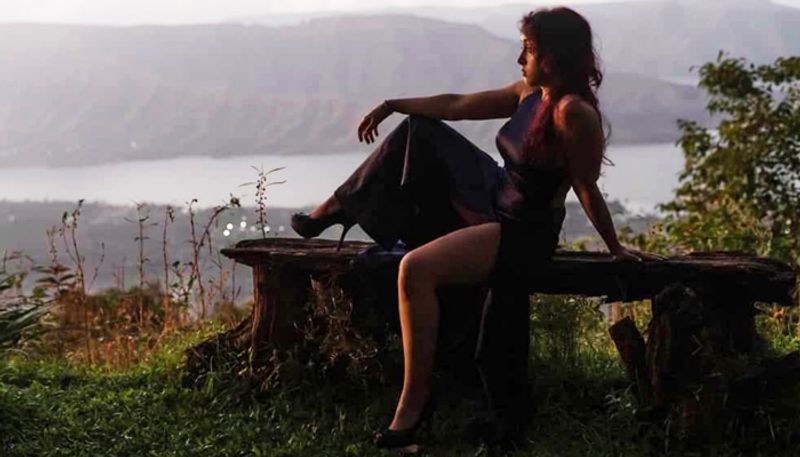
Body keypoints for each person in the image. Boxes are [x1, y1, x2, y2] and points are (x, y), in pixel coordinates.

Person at [291, 6, 659, 450]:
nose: (519, 59)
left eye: (528, 50)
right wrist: (392, 104)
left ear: (554, 57)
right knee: (419, 131)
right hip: (494, 193)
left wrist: (616, 248)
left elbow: (585, 188)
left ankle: (415, 401)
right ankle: (336, 208)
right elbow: (458, 106)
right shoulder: (529, 92)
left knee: (414, 269)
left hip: (524, 228)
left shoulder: (572, 113)